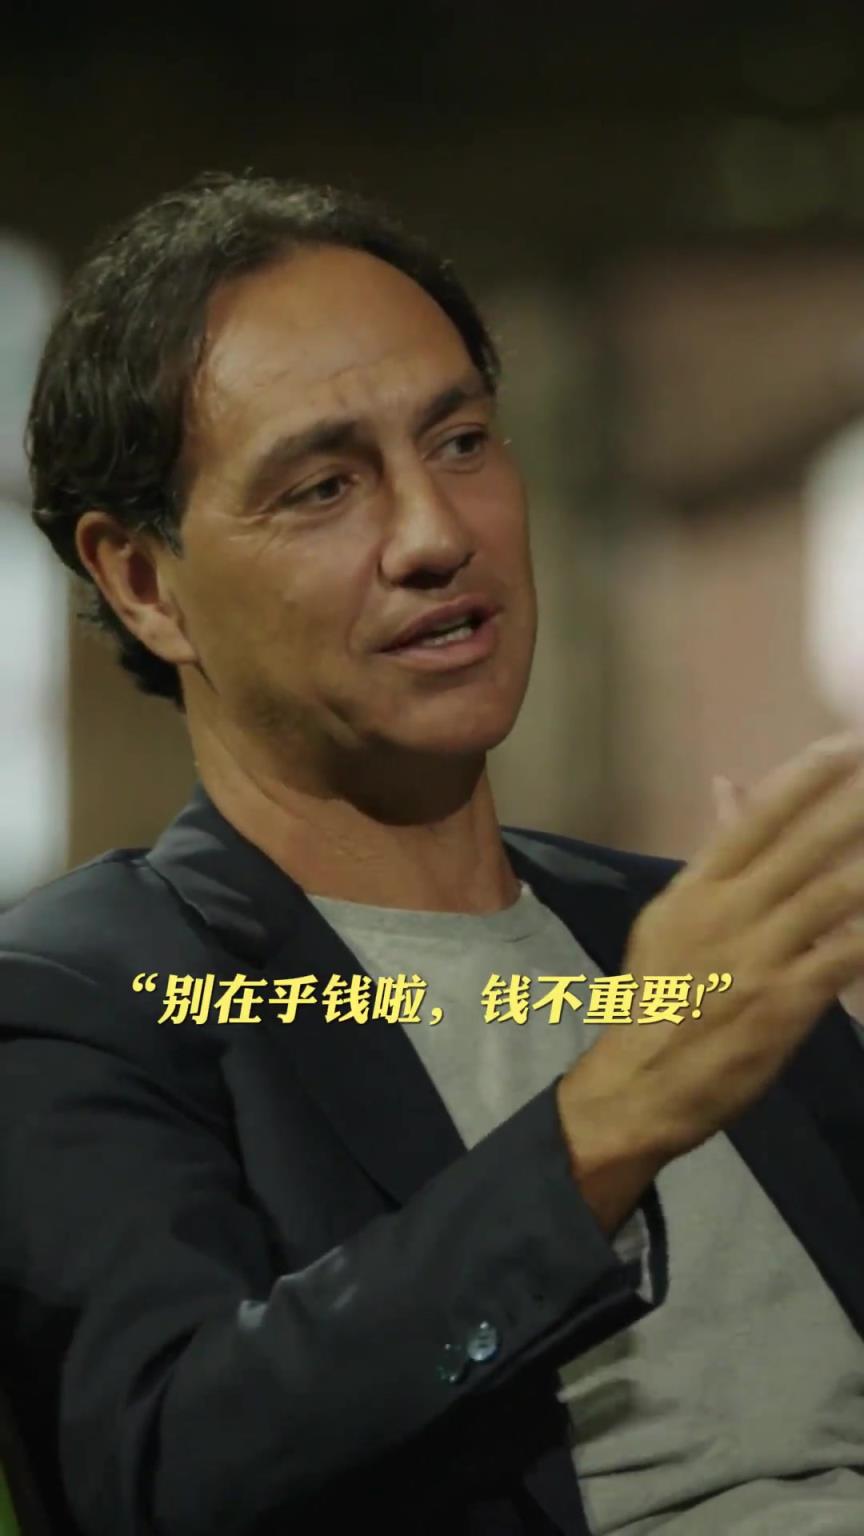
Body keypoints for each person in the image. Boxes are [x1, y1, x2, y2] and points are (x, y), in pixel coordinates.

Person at [2, 172, 864, 1536]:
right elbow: (173, 1467)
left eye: (460, 442)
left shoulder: (691, 940)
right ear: (145, 583)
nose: (436, 535)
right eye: (324, 487)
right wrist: (610, 1120)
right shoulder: (87, 997)